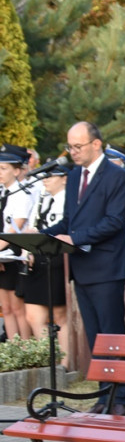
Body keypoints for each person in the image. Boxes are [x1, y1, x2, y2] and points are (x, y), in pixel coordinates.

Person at [42, 122, 125, 415]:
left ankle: (121, 400)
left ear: (97, 144)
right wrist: (44, 235)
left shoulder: (116, 176)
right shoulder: (73, 176)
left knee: (112, 336)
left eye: (78, 146)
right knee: (95, 337)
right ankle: (102, 397)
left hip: (107, 268)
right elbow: (70, 221)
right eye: (69, 147)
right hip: (82, 268)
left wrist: (74, 238)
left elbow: (114, 221)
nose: (72, 152)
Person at [21, 164, 71, 366]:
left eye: (51, 176)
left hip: (58, 257)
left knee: (59, 315)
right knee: (33, 315)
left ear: (64, 178)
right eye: (44, 177)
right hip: (38, 257)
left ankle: (64, 364)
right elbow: (32, 228)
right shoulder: (42, 198)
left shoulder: (67, 200)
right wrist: (27, 251)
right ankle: (47, 361)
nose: (46, 180)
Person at [0, 144, 33, 340]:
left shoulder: (21, 194)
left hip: (14, 254)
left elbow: (15, 229)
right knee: (6, 307)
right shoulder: (2, 193)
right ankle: (14, 348)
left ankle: (26, 348)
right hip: (2, 257)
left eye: (4, 168)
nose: (0, 173)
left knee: (18, 308)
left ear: (17, 170)